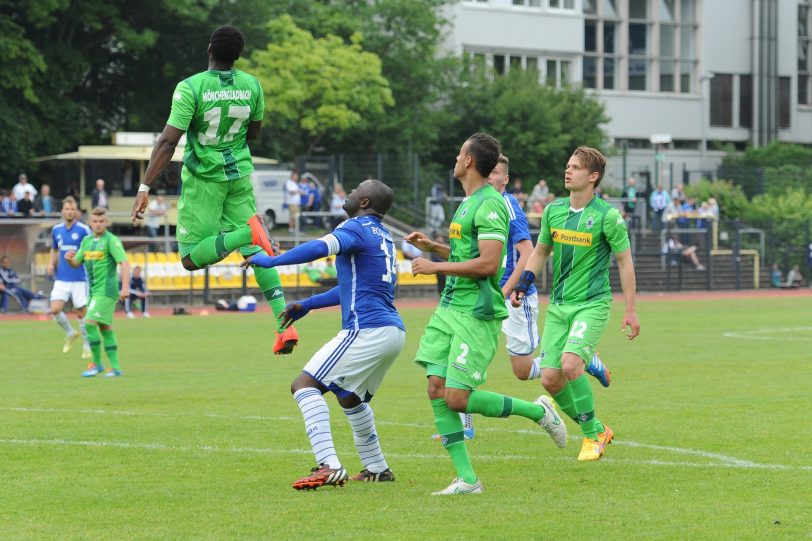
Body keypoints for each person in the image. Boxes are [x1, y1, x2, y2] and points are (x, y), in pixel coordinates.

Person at [405, 133, 567, 496]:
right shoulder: (467, 203)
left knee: (457, 398)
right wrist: (434, 247)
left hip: (474, 312)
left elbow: (490, 264)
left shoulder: (490, 205)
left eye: (460, 152)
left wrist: (436, 266)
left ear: (469, 163)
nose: (456, 157)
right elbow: (469, 252)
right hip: (449, 308)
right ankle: (467, 480)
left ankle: (537, 412)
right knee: (436, 387)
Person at [130, 25, 298, 355]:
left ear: (209, 49)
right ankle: (284, 324)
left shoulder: (190, 87)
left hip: (204, 180)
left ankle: (247, 233)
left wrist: (144, 186)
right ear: (238, 55)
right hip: (238, 176)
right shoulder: (252, 85)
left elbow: (168, 140)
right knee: (256, 254)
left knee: (191, 258)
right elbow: (255, 132)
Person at [243, 179, 404, 489]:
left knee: (303, 385)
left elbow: (320, 247)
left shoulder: (356, 227)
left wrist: (274, 260)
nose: (351, 192)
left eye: (357, 190)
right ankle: (377, 468)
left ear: (365, 203)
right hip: (392, 331)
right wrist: (309, 304)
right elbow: (352, 288)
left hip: (367, 328)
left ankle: (328, 465)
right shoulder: (384, 236)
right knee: (348, 396)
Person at [455, 153, 612, 440]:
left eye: (495, 174)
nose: (489, 178)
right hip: (479, 295)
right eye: (487, 172)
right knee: (462, 354)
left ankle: (582, 361)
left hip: (509, 294)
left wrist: (508, 290)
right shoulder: (472, 203)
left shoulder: (508, 207)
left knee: (524, 371)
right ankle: (463, 424)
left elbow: (529, 253)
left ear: (505, 179)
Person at [513, 146, 640, 462]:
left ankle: (591, 435)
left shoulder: (608, 217)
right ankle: (598, 427)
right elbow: (541, 252)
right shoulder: (554, 210)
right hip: (558, 306)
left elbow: (625, 263)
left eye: (575, 167)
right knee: (550, 378)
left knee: (570, 366)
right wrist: (523, 283)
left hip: (592, 304)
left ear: (593, 176)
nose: (567, 171)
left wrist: (630, 309)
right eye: (567, 165)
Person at [65, 208, 129, 377]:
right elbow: (76, 262)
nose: (98, 224)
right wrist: (69, 259)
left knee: (88, 322)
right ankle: (115, 368)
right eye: (95, 221)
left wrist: (125, 287)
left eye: (101, 221)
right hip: (93, 292)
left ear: (106, 222)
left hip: (106, 291)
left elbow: (124, 262)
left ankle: (96, 364)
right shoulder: (86, 241)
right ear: (90, 222)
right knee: (105, 327)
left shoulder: (111, 241)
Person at [48, 197, 92, 359]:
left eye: (72, 209)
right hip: (62, 278)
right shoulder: (56, 230)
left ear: (76, 212)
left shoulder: (83, 230)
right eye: (67, 208)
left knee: (81, 313)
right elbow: (54, 249)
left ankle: (87, 345)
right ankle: (70, 332)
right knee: (54, 309)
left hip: (80, 278)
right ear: (62, 211)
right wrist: (50, 264)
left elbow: (89, 249)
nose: (69, 211)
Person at [286, 169, 302, 233]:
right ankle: (292, 230)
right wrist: (298, 191)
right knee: (294, 217)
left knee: (295, 217)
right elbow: (291, 192)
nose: (296, 178)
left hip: (296, 203)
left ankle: (294, 230)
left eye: (297, 177)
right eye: (295, 177)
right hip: (292, 203)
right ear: (292, 176)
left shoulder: (294, 183)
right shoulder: (289, 183)